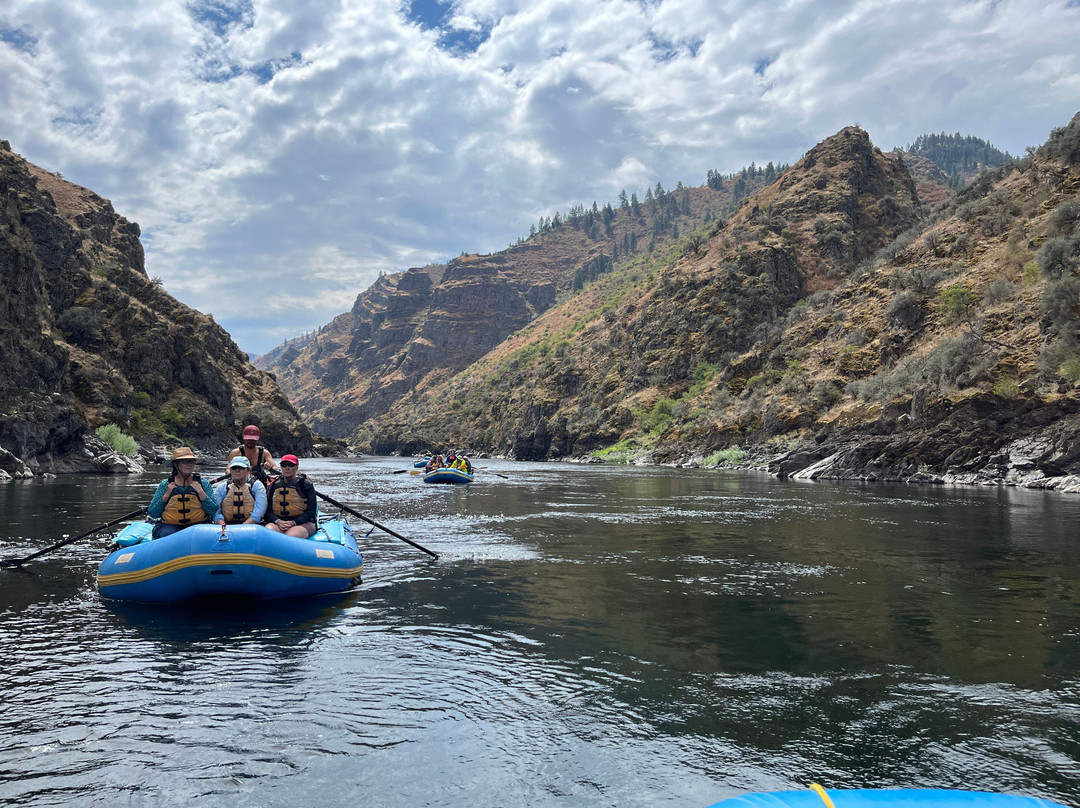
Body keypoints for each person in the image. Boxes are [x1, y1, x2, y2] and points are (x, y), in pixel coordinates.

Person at [147, 446, 218, 539]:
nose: (189, 464)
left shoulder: (203, 483)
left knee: (203, 535)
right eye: (185, 461)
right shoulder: (165, 485)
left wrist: (201, 492)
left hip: (198, 525)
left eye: (192, 461)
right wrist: (166, 495)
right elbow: (153, 513)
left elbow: (213, 510)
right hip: (170, 526)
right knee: (168, 535)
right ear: (176, 465)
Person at [265, 454, 318, 538]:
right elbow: (268, 511)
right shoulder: (275, 485)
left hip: (302, 523)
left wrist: (294, 522)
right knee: (268, 533)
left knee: (291, 536)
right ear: (281, 467)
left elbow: (311, 512)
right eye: (284, 465)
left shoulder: (305, 484)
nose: (287, 468)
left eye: (291, 465)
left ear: (296, 467)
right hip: (279, 522)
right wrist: (278, 521)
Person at [214, 455, 267, 526]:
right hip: (227, 525)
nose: (237, 470)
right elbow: (216, 510)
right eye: (234, 468)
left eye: (241, 468)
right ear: (230, 470)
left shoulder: (257, 486)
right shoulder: (222, 487)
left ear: (248, 469)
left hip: (251, 526)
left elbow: (259, 511)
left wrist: (242, 526)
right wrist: (221, 522)